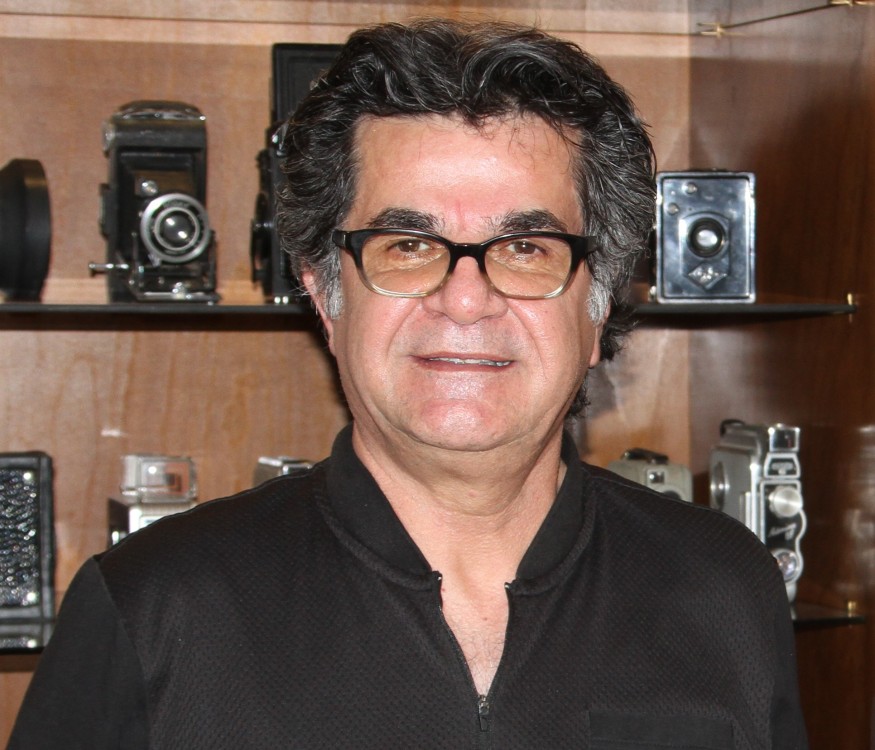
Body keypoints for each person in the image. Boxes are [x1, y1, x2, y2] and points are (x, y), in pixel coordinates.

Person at [9, 18, 807, 749]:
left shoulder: (722, 591)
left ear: (596, 306)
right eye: (406, 246)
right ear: (325, 297)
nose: (464, 299)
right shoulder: (154, 607)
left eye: (526, 249)